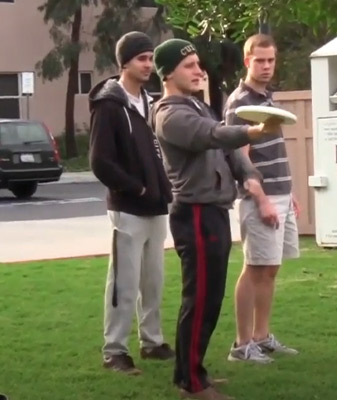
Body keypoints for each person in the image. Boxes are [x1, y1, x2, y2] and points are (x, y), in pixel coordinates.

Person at [151, 38, 281, 400]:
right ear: (168, 73)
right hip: (194, 214)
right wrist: (251, 131)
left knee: (209, 300)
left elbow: (227, 149)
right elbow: (211, 135)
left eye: (198, 63)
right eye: (189, 65)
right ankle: (192, 386)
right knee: (199, 300)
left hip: (212, 213)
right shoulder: (170, 113)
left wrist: (248, 173)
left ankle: (191, 373)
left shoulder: (194, 105)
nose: (199, 70)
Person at [88, 31, 175, 376]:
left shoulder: (150, 103)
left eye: (151, 58)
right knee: (124, 282)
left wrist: (160, 189)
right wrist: (136, 189)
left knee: (153, 280)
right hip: (128, 207)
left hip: (156, 206)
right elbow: (100, 161)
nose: (149, 65)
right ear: (124, 62)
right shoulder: (110, 104)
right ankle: (115, 350)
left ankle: (152, 342)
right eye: (142, 58)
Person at [223, 33, 300, 364]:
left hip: (281, 194)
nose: (267, 66)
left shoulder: (267, 98)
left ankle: (262, 337)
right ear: (247, 61)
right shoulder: (240, 103)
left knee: (270, 269)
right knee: (253, 269)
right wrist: (263, 199)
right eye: (260, 60)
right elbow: (240, 157)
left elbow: (272, 151)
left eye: (271, 60)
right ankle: (241, 346)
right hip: (260, 198)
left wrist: (287, 194)